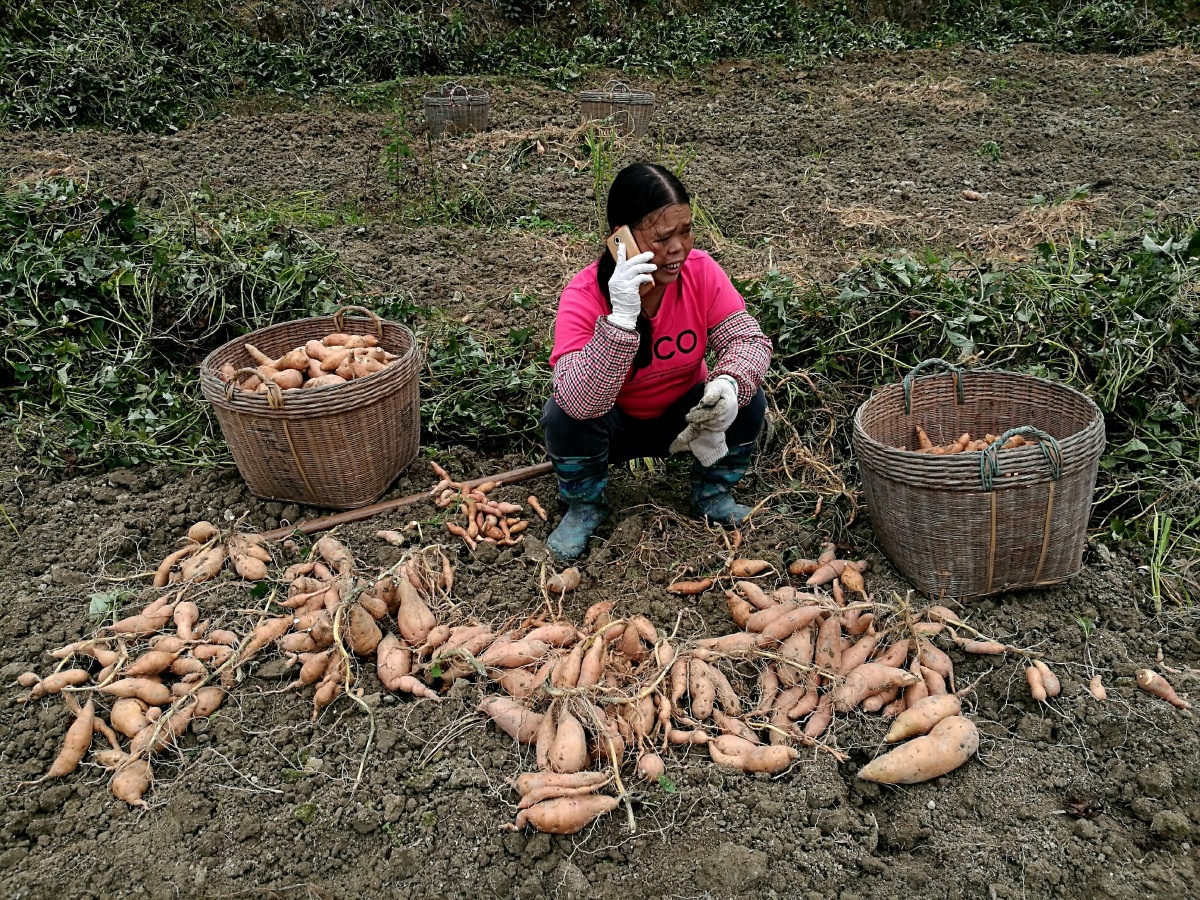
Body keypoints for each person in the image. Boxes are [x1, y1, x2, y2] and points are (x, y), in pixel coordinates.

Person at [541, 162, 772, 560]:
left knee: (749, 400)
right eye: (664, 237)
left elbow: (747, 339)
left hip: (686, 418)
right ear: (622, 240)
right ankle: (585, 505)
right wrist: (621, 319)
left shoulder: (701, 272)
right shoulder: (584, 295)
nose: (678, 247)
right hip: (613, 429)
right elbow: (579, 402)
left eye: (686, 231)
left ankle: (712, 493)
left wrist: (730, 382)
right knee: (561, 417)